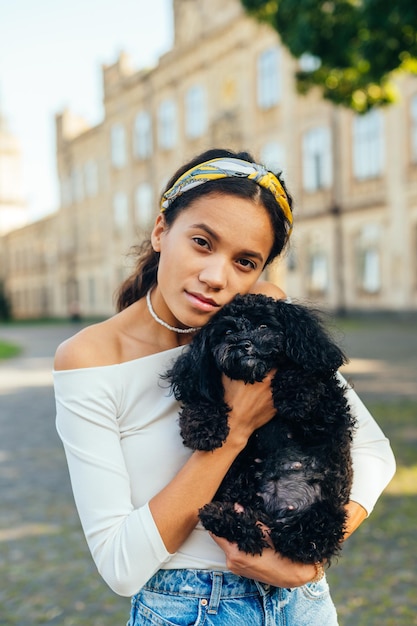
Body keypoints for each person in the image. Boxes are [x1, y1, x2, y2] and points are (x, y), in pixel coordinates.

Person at [53, 148, 395, 626]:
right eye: (201, 242)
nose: (216, 278)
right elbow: (120, 566)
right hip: (187, 608)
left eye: (245, 261)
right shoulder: (91, 358)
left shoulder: (265, 322)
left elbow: (375, 453)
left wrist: (309, 559)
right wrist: (234, 429)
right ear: (160, 231)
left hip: (304, 604)